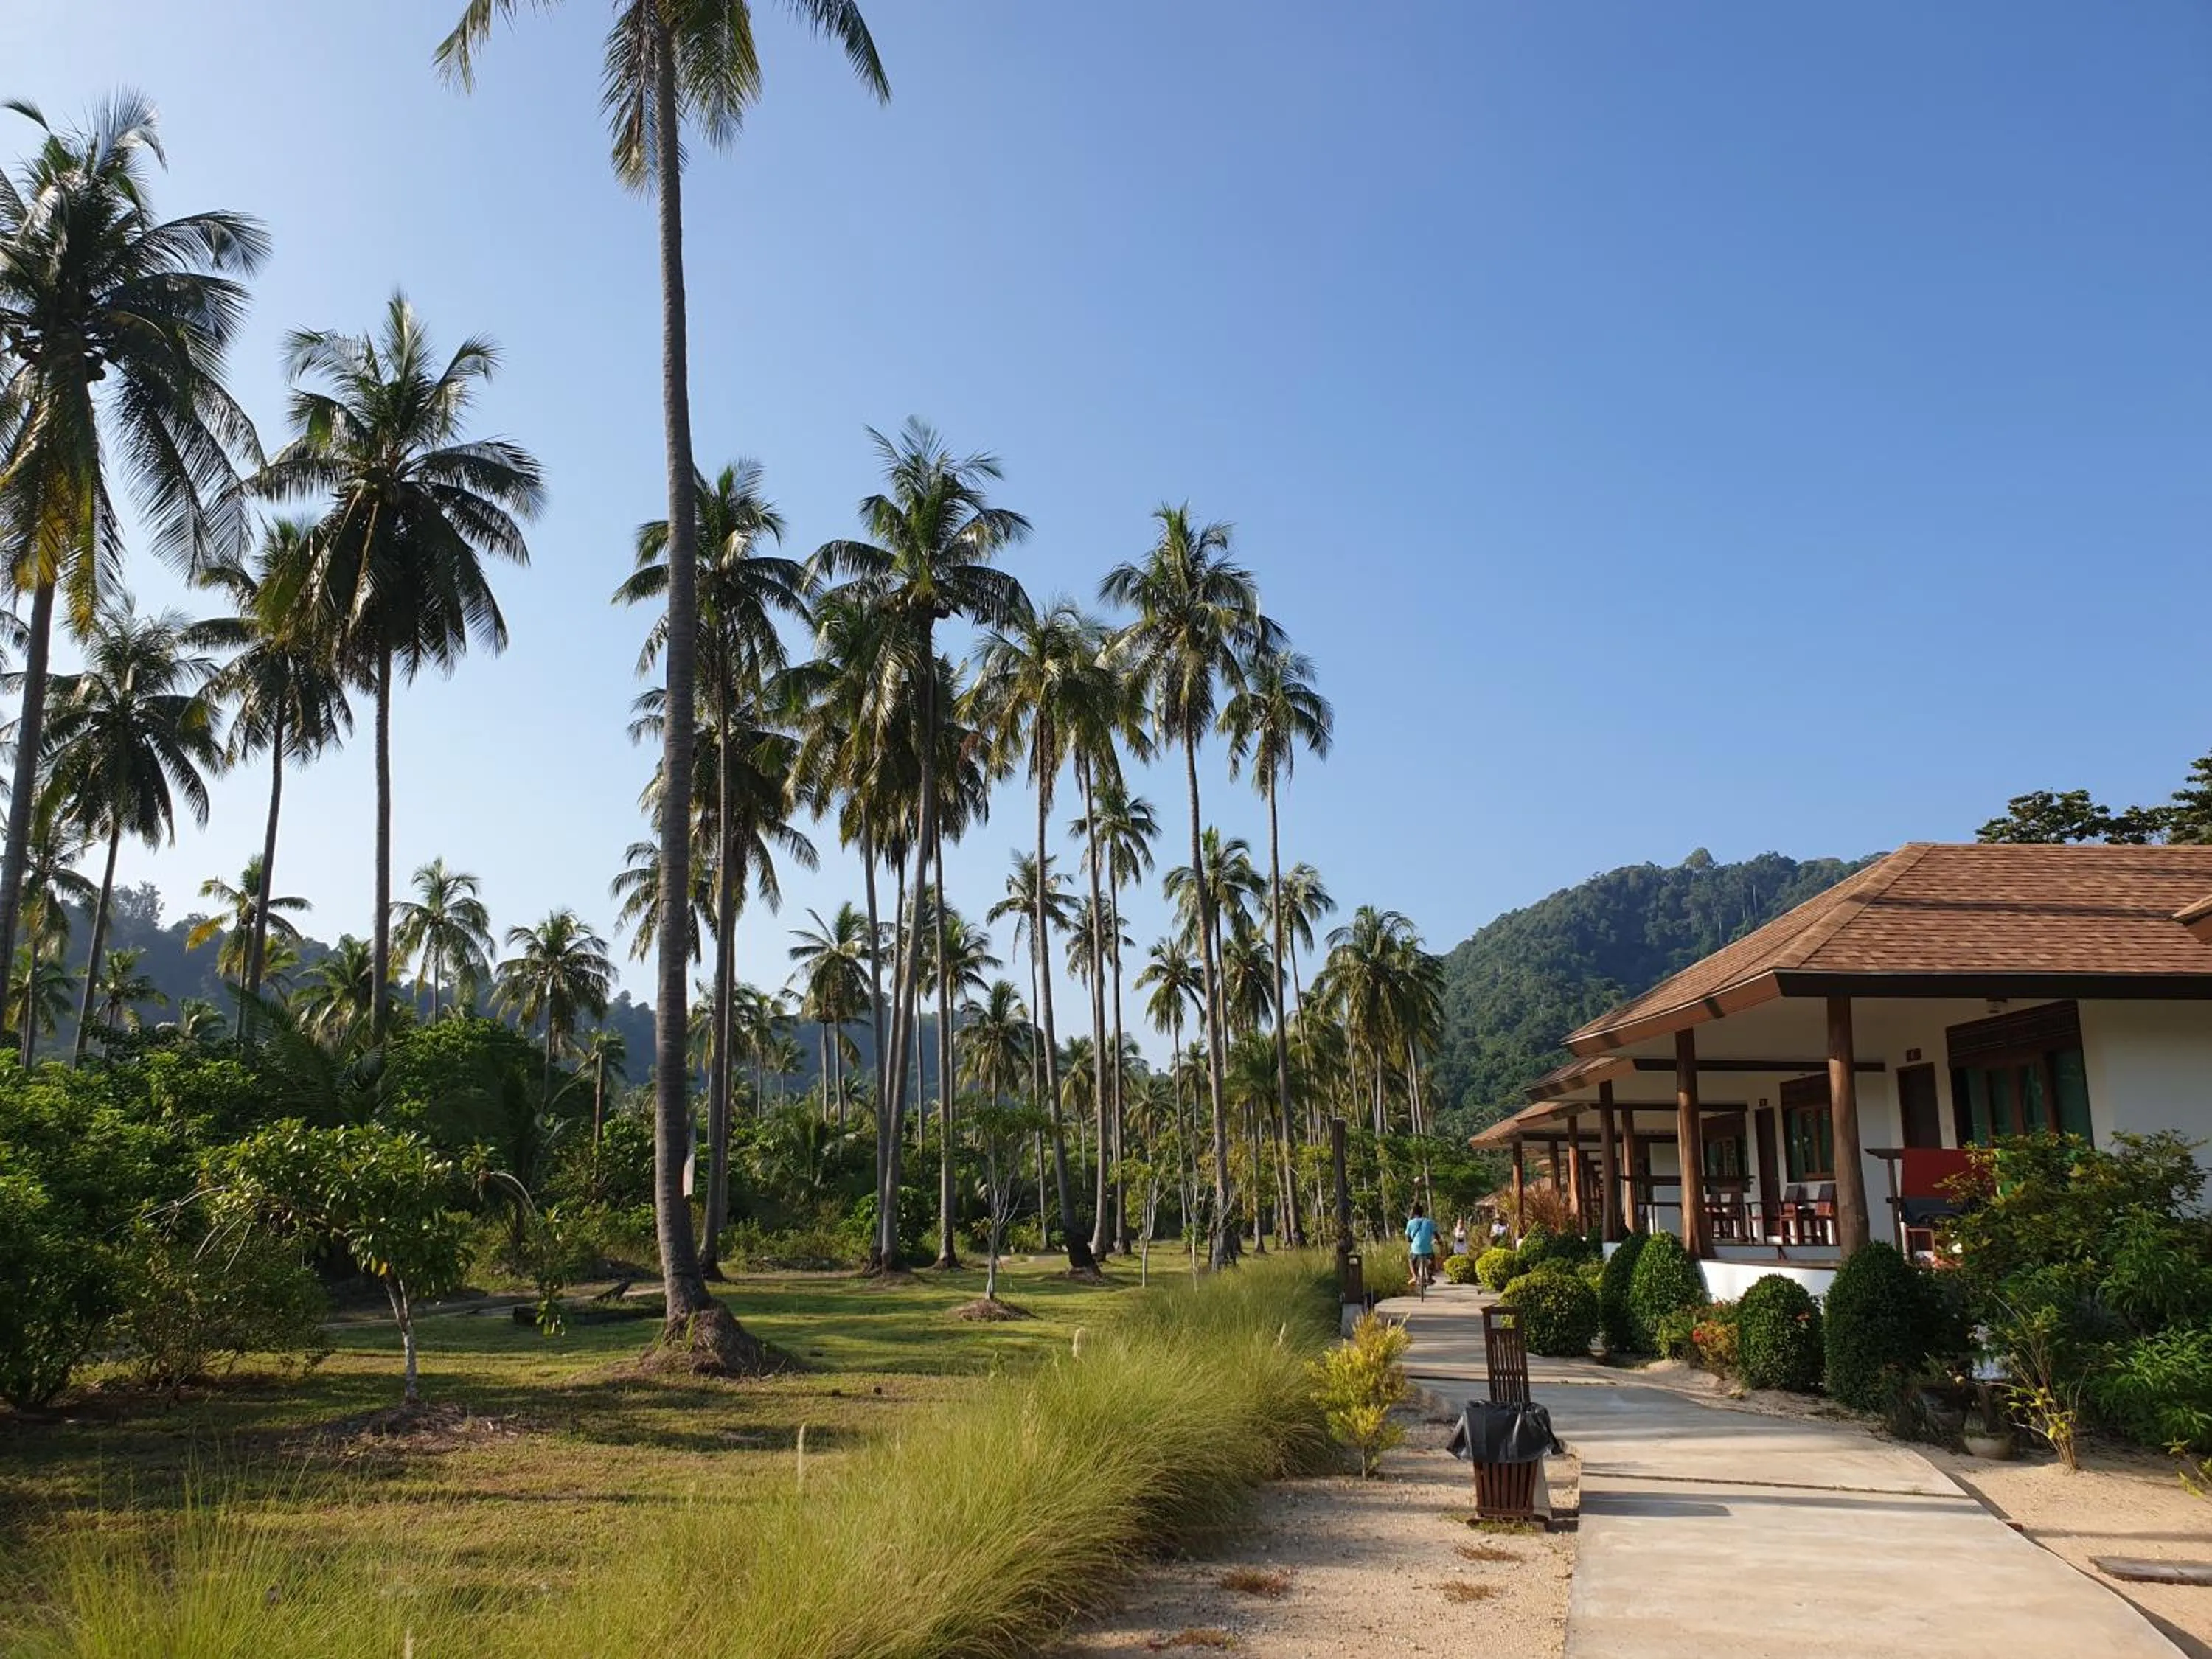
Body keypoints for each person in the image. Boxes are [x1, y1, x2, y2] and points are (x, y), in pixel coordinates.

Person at [1405, 1202, 1439, 1289]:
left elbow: (1408, 1237)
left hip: (1416, 1249)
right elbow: (1436, 1234)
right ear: (1422, 1212)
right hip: (1428, 1249)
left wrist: (1411, 1241)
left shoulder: (1410, 1223)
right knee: (1432, 1258)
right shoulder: (1429, 1222)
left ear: (1414, 1213)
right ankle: (1430, 1277)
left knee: (1411, 1259)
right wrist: (1439, 1241)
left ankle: (1414, 1277)